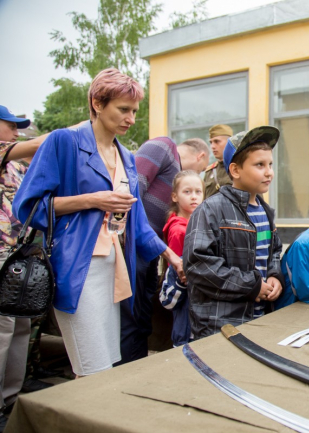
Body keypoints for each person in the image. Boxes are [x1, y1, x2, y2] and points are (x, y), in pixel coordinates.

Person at [13, 68, 185, 378]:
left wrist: (171, 256)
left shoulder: (126, 156)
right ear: (97, 103)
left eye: (134, 111)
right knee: (93, 368)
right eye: (124, 109)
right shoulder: (63, 141)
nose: (131, 118)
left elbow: (137, 221)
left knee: (104, 366)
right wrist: (93, 200)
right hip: (77, 267)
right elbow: (27, 206)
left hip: (115, 267)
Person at [184, 126, 284, 339]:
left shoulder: (266, 212)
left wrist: (275, 275)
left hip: (260, 320)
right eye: (259, 165)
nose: (269, 172)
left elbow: (273, 252)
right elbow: (198, 266)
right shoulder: (210, 210)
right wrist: (251, 286)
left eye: (270, 164)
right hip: (220, 326)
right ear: (236, 171)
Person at [118, 136, 209, 364]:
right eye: (202, 170)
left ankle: (138, 369)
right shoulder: (164, 146)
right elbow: (131, 187)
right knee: (130, 318)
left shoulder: (175, 172)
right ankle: (124, 372)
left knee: (142, 319)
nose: (194, 195)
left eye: (198, 190)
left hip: (150, 249)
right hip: (133, 245)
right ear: (201, 158)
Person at [0, 106, 51, 431]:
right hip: (1, 256)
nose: (16, 132)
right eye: (11, 125)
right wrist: (89, 123)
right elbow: (39, 144)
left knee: (19, 326)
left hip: (20, 256)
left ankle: (11, 398)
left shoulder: (17, 167)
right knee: (2, 330)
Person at [159, 170, 204, 346]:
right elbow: (178, 271)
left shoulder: (197, 223)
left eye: (198, 191)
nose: (194, 197)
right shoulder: (179, 230)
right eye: (187, 191)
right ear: (174, 196)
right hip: (186, 298)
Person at [203, 124, 233, 198]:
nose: (212, 146)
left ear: (229, 142)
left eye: (217, 141)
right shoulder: (209, 171)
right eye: (211, 142)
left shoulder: (240, 168)